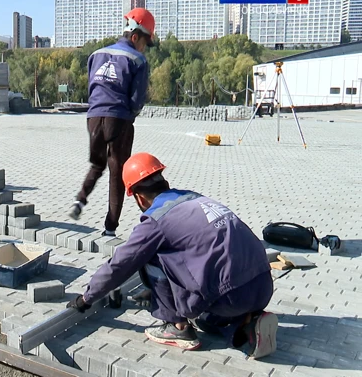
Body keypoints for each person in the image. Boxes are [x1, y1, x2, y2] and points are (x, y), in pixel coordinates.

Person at [66, 152, 277, 359]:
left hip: (230, 297)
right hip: (263, 286)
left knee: (149, 255)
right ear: (164, 181)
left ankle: (175, 326)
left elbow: (121, 264)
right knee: (204, 319)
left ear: (139, 197)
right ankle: (245, 324)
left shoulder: (156, 220)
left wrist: (86, 298)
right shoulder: (195, 198)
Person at [68, 8, 155, 237]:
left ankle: (80, 200)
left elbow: (92, 88)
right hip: (119, 118)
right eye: (145, 42)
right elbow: (137, 99)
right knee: (118, 172)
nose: (144, 47)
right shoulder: (138, 60)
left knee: (98, 164)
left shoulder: (95, 55)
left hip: (93, 117)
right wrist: (129, 116)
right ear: (135, 36)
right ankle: (109, 228)